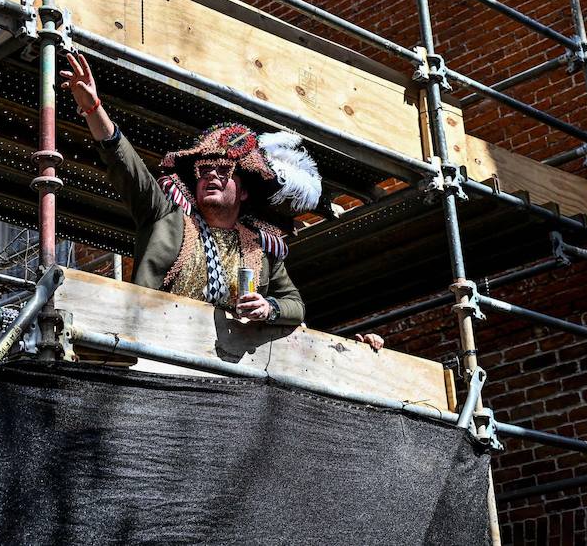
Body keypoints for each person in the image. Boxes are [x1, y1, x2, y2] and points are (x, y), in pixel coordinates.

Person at [61, 51, 384, 349]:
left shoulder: (261, 248)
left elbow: (295, 306)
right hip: (160, 347)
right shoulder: (167, 219)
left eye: (223, 171)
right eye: (203, 171)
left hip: (227, 367)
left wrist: (268, 307)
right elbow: (127, 167)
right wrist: (93, 108)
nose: (211, 176)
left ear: (243, 191)